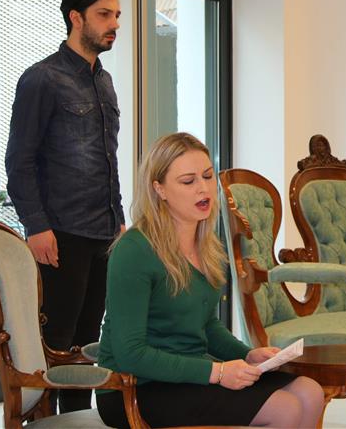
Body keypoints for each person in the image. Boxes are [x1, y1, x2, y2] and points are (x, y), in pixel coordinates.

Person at [97, 133, 324, 428]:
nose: (203, 188)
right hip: (135, 387)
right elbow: (130, 354)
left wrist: (247, 355)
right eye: (188, 181)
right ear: (159, 189)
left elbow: (206, 325)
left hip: (191, 374)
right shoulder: (134, 250)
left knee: (310, 392)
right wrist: (217, 373)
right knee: (285, 408)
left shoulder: (207, 246)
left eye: (206, 176)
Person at [5, 0, 125, 413]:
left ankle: (78, 420)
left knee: (88, 343)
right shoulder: (42, 79)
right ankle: (46, 421)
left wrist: (119, 219)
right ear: (76, 18)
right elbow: (19, 161)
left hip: (103, 233)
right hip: (60, 235)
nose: (114, 24)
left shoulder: (104, 81)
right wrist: (36, 227)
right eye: (104, 14)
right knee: (55, 343)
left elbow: (108, 159)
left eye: (117, 15)